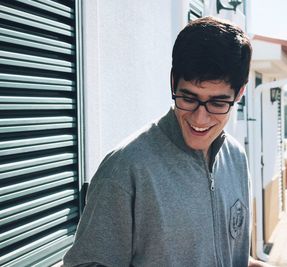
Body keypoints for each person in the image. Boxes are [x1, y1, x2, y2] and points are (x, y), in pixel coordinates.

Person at [63, 16, 268, 267]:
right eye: (189, 98)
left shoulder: (236, 158)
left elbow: (229, 257)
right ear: (173, 82)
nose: (200, 118)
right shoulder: (125, 170)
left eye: (217, 103)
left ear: (240, 93)